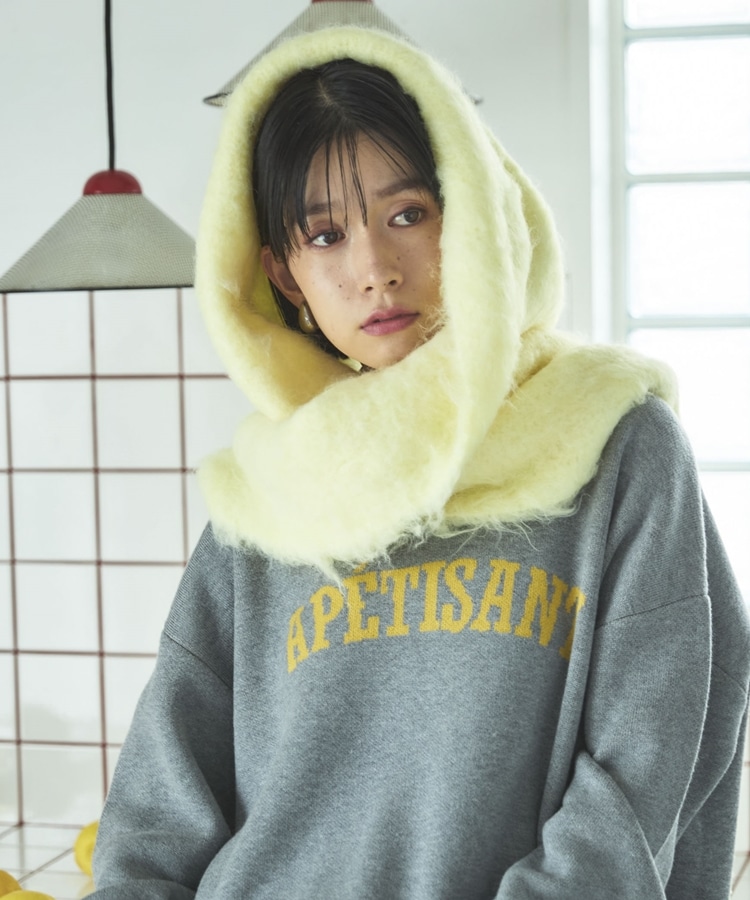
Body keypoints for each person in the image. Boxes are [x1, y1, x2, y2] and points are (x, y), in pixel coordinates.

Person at [90, 23, 750, 900]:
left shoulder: (614, 440)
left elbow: (654, 755)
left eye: (409, 215)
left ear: (477, 215)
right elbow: (155, 812)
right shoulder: (272, 494)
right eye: (325, 235)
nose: (374, 269)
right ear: (283, 275)